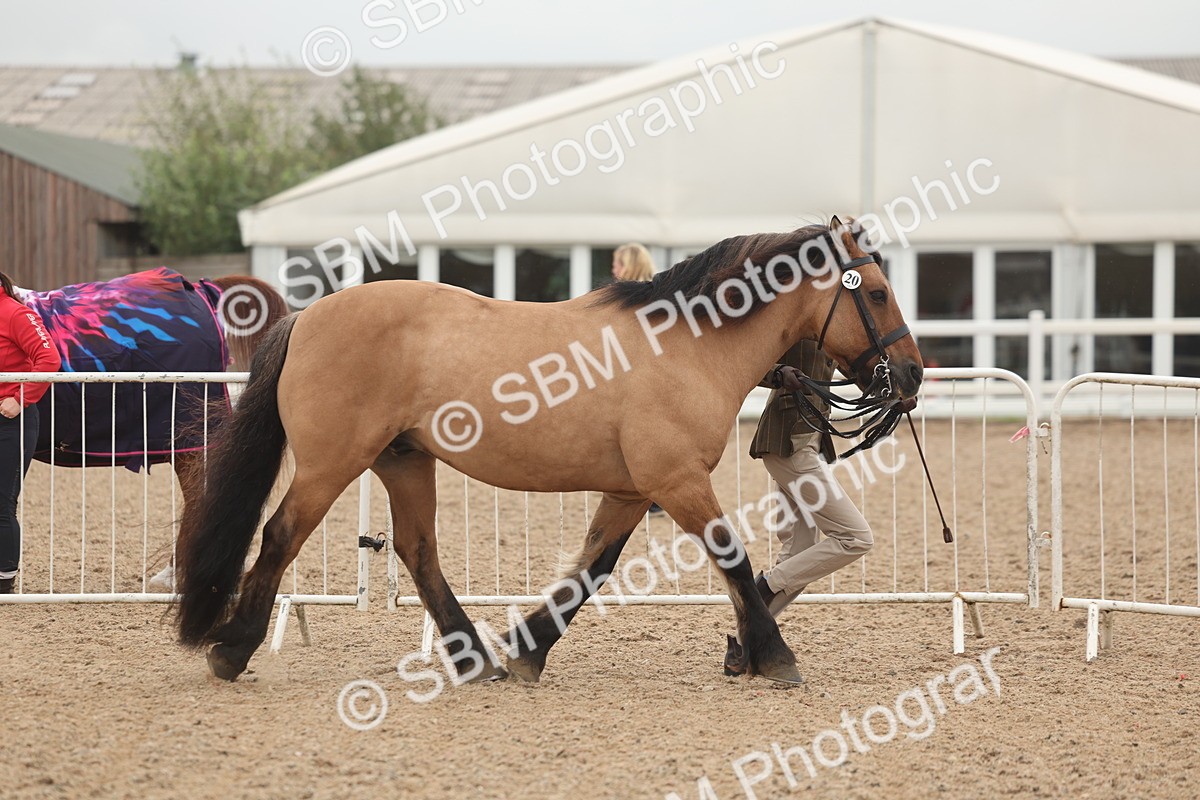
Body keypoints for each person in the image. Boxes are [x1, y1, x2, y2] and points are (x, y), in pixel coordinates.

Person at [723, 338, 913, 675]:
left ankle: (746, 644)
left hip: (804, 444)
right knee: (855, 537)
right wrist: (778, 373)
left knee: (800, 549)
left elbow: (857, 371)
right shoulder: (793, 320)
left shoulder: (834, 329)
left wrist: (892, 397)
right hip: (789, 445)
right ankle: (763, 587)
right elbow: (745, 359)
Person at [0, 270, 61, 593]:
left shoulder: (15, 313)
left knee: (2, 503)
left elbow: (49, 358)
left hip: (10, 420)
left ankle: (4, 580)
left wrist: (20, 398)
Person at [611, 244, 667, 514]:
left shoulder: (632, 299)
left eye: (618, 263)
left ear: (630, 265)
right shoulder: (656, 296)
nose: (613, 269)